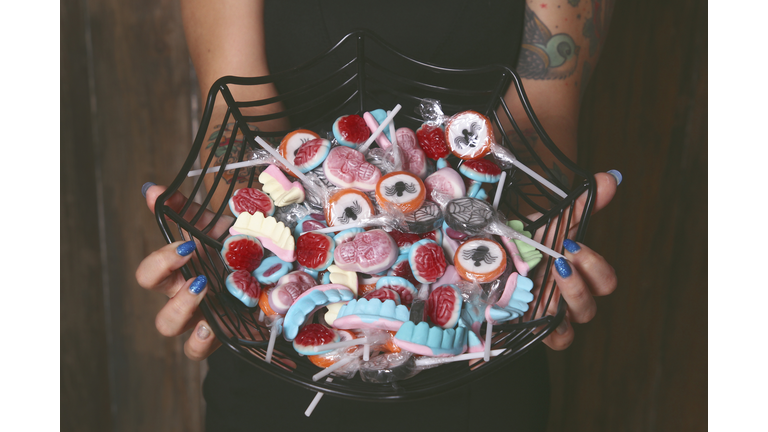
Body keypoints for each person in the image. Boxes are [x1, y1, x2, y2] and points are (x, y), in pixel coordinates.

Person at [136, 1, 620, 430]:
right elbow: (237, 118)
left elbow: (541, 123)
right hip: (276, 349)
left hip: (480, 355)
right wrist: (237, 230)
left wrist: (533, 235)